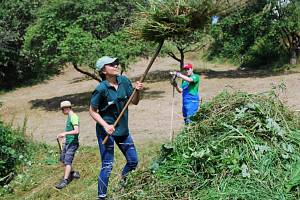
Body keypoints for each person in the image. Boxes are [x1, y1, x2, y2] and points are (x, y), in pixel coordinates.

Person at [89, 56, 143, 200]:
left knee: (133, 161)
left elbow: (135, 102)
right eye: (111, 64)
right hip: (106, 131)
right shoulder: (101, 89)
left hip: (122, 130)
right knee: (107, 165)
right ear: (103, 70)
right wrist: (106, 126)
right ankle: (101, 197)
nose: (116, 65)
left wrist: (137, 91)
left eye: (116, 63)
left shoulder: (124, 81)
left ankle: (122, 186)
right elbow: (92, 111)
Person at [55, 100, 80, 189]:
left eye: (62, 109)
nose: (62, 111)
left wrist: (65, 133)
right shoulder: (69, 117)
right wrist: (64, 138)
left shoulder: (73, 117)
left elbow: (77, 131)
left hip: (73, 143)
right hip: (68, 142)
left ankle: (65, 180)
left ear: (66, 108)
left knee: (67, 161)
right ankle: (73, 173)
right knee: (63, 158)